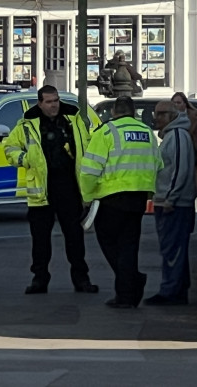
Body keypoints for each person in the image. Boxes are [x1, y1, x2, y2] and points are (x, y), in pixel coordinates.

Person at [4, 85, 98, 295]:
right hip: (41, 189)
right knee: (40, 240)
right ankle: (39, 279)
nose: (54, 105)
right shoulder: (27, 124)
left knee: (75, 237)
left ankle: (81, 279)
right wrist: (26, 159)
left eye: (55, 100)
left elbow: (89, 145)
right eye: (49, 102)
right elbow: (10, 148)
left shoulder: (73, 120)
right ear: (40, 103)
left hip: (69, 186)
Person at [79, 96, 161, 309]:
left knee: (109, 243)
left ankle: (129, 285)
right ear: (133, 112)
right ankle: (128, 290)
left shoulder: (106, 132)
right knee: (129, 245)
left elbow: (89, 171)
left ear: (114, 112)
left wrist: (87, 198)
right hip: (139, 198)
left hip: (111, 198)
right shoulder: (146, 133)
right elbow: (158, 165)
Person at [145, 100, 197, 306]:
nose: (156, 118)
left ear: (173, 116)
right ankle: (178, 288)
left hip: (173, 202)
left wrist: (170, 198)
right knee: (175, 247)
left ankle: (170, 291)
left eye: (161, 114)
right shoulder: (173, 136)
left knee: (171, 248)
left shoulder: (176, 136)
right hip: (169, 199)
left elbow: (180, 169)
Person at [171, 92, 197, 195]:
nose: (176, 105)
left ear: (185, 104)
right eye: (174, 103)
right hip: (176, 158)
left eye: (178, 102)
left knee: (193, 190)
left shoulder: (195, 117)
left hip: (194, 158)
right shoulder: (170, 118)